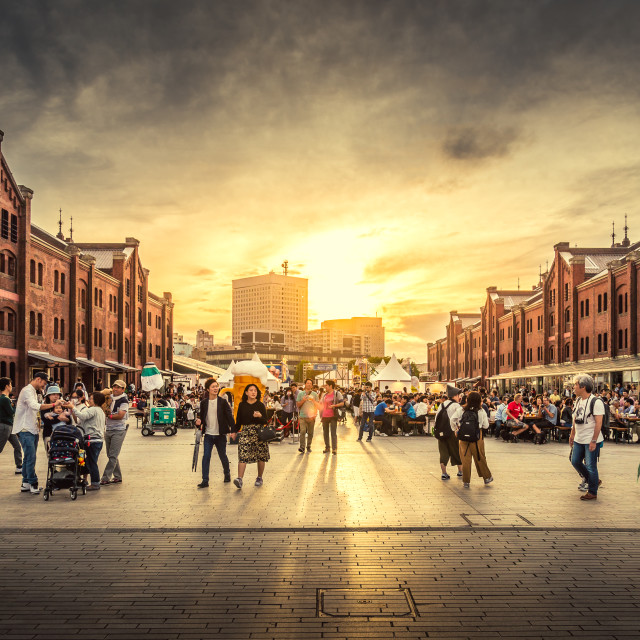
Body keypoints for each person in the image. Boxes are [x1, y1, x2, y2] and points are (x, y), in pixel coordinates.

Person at [13, 372, 61, 494]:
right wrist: (54, 404)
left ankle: (25, 483)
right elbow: (35, 406)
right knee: (31, 457)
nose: (44, 387)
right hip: (25, 428)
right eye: (44, 384)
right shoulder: (27, 391)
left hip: (32, 428)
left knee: (28, 457)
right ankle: (33, 483)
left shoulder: (33, 391)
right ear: (38, 379)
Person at [570, 374, 604, 501]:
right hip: (579, 437)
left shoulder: (596, 402)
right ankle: (593, 480)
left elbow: (598, 423)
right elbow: (575, 418)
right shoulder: (578, 400)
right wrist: (572, 434)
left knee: (590, 465)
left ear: (583, 387)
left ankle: (592, 491)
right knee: (575, 461)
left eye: (576, 384)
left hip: (590, 438)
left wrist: (594, 440)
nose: (574, 387)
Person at [195, 378, 235, 488]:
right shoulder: (203, 403)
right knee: (206, 456)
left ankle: (227, 473)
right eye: (213, 386)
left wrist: (233, 430)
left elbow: (229, 417)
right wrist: (198, 423)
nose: (215, 388)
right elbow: (201, 418)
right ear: (208, 389)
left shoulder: (223, 402)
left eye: (216, 386)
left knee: (223, 455)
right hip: (208, 434)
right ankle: (205, 480)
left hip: (220, 435)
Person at [233, 384, 268, 489]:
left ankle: (259, 477)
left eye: (255, 391)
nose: (253, 392)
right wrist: (234, 431)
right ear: (246, 392)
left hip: (259, 432)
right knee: (243, 454)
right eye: (251, 390)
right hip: (246, 432)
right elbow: (238, 421)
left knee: (261, 455)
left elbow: (265, 420)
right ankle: (239, 478)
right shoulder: (242, 405)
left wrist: (260, 416)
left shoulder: (260, 405)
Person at [71, 391, 106, 491]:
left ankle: (95, 483)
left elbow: (82, 416)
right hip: (97, 440)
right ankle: (83, 479)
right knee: (88, 460)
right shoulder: (100, 411)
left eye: (90, 398)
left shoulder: (93, 409)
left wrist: (72, 407)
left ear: (95, 400)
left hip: (92, 440)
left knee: (91, 462)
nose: (88, 400)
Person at [457, 391, 493, 488]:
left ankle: (466, 481)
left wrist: (456, 429)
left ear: (467, 400)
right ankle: (486, 478)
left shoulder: (461, 410)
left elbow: (453, 419)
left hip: (463, 436)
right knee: (479, 456)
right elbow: (486, 426)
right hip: (477, 436)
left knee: (465, 458)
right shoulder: (481, 411)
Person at [100, 379, 129, 485]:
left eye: (118, 387)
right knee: (111, 455)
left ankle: (105, 478)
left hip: (119, 430)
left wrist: (109, 415)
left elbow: (120, 415)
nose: (115, 389)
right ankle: (117, 476)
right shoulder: (109, 397)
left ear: (123, 389)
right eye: (114, 386)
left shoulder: (124, 401)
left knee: (113, 455)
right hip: (108, 429)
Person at [434, 385, 463, 480]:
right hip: (452, 432)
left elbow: (436, 418)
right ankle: (460, 471)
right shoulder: (456, 406)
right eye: (459, 395)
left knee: (443, 452)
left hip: (441, 432)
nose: (460, 397)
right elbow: (459, 419)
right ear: (455, 395)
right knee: (456, 451)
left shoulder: (442, 404)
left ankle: (444, 473)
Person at [0, 377, 22, 475]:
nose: (11, 386)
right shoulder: (4, 399)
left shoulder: (5, 399)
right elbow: (11, 413)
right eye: (10, 384)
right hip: (5, 426)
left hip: (9, 426)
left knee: (17, 445)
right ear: (6, 386)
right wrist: (14, 406)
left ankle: (19, 466)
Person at [320, 380, 343, 455]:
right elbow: (321, 404)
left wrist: (334, 406)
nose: (325, 387)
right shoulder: (324, 395)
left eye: (326, 385)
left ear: (330, 386)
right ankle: (327, 447)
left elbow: (342, 403)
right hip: (324, 415)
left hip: (333, 415)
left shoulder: (337, 393)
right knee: (325, 433)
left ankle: (334, 448)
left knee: (333, 432)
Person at [296, 379, 318, 453]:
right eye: (307, 383)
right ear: (305, 384)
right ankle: (302, 447)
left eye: (310, 383)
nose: (309, 384)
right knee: (302, 431)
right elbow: (298, 405)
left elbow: (317, 405)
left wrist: (315, 414)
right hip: (302, 416)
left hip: (312, 417)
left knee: (310, 433)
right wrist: (303, 400)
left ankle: (308, 446)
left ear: (312, 385)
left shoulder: (315, 394)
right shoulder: (300, 394)